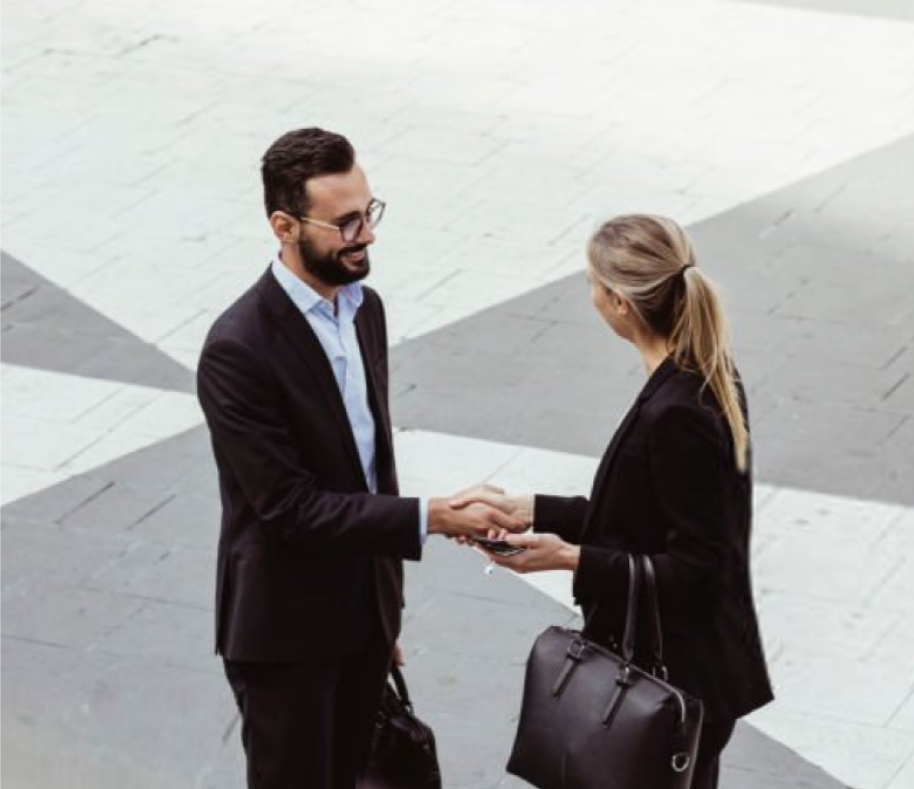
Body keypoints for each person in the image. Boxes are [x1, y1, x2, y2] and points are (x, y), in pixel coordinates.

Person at [196, 127, 524, 789]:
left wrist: (380, 612)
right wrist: (433, 516)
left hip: (362, 619)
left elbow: (369, 467)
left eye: (369, 212)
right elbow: (289, 508)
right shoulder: (238, 349)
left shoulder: (363, 308)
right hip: (286, 636)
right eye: (345, 223)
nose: (366, 234)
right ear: (284, 226)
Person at [456, 214, 774, 789]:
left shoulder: (677, 411)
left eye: (593, 284)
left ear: (620, 303)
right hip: (684, 673)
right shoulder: (699, 376)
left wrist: (566, 557)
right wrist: (529, 510)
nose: (593, 297)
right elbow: (644, 518)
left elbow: (700, 566)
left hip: (674, 684)